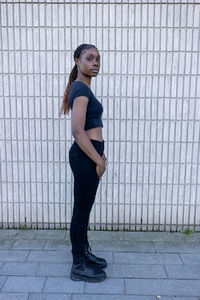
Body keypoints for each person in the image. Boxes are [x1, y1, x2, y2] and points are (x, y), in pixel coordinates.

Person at [59, 44, 108, 282]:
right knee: (81, 211)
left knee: (84, 210)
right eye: (90, 58)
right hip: (85, 155)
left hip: (90, 153)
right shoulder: (80, 88)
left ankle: (84, 254)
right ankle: (78, 264)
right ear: (77, 61)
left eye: (98, 59)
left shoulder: (83, 88)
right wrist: (98, 159)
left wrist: (101, 153)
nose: (96, 62)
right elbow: (78, 131)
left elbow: (90, 128)